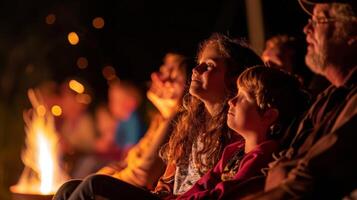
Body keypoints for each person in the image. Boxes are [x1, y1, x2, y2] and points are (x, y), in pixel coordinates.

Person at [53, 33, 263, 200]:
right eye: (198, 63)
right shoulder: (191, 123)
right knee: (69, 188)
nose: (196, 70)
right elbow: (168, 177)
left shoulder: (236, 128)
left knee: (94, 185)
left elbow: (144, 172)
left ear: (235, 78)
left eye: (208, 66)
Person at [240, 0, 357, 199]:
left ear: (352, 33)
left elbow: (310, 181)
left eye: (320, 20)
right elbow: (281, 165)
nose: (306, 28)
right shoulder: (328, 98)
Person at [176, 66, 310, 199]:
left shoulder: (263, 156)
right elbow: (203, 184)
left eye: (243, 97)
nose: (231, 101)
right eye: (236, 94)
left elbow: (223, 194)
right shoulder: (234, 149)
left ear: (268, 115)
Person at [97, 52, 189, 189]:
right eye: (163, 71)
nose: (156, 77)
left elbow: (141, 175)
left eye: (172, 75)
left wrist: (100, 181)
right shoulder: (160, 119)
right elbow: (128, 162)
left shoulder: (176, 122)